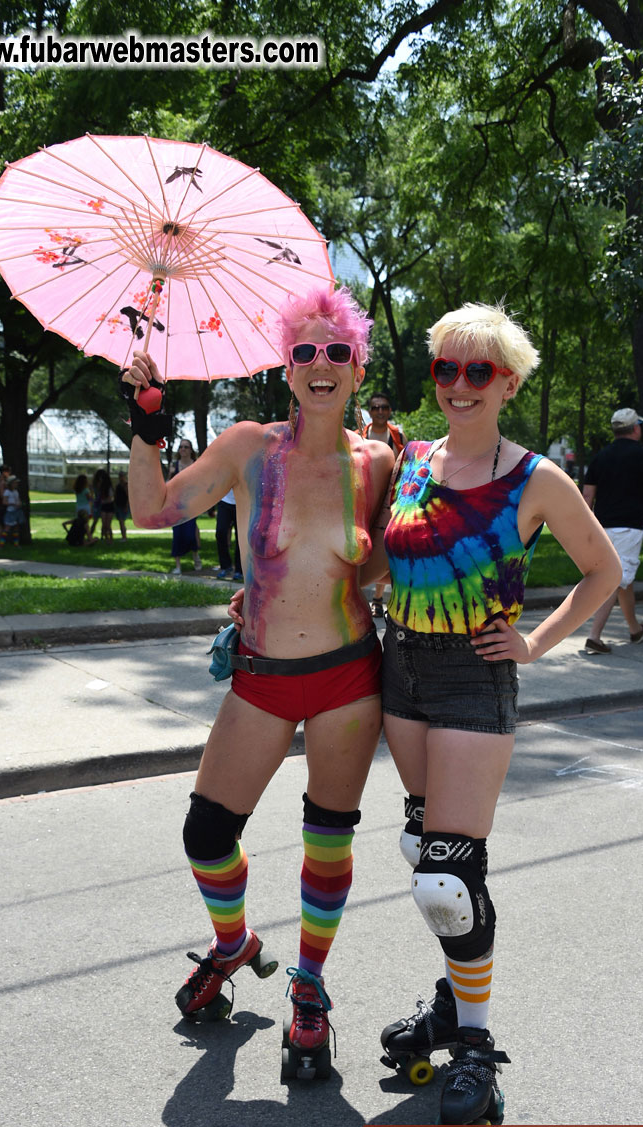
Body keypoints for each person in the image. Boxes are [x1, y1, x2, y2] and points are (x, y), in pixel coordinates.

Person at [361, 302, 621, 1124]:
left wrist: (535, 643)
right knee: (425, 853)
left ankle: (474, 1047)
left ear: (509, 383)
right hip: (402, 670)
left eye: (480, 370)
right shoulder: (412, 460)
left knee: (449, 876)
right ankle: (452, 1000)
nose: (460, 384)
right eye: (447, 368)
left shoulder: (536, 478)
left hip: (475, 678)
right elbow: (385, 564)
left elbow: (603, 571)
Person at [124, 285, 393, 1071]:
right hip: (262, 677)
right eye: (304, 350)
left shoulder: (377, 463)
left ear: (357, 368)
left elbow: (378, 564)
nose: (320, 363)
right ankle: (234, 942)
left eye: (337, 351)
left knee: (327, 837)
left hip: (348, 678)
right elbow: (152, 510)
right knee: (207, 833)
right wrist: (147, 422)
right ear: (286, 366)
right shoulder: (249, 447)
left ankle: (309, 984)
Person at [582, 408, 643, 654]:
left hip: (602, 527)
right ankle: (594, 637)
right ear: (635, 428)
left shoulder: (601, 456)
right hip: (628, 528)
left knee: (624, 578)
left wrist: (584, 525)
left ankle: (635, 629)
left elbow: (587, 495)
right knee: (616, 579)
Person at [362, 392, 405, 618]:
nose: (380, 411)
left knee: (385, 548)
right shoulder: (360, 436)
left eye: (384, 407)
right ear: (369, 411)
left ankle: (378, 598)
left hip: (391, 502)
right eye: (376, 407)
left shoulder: (397, 435)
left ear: (389, 410)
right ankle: (356, 594)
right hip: (365, 500)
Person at [168, 439, 203, 575]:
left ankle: (195, 555)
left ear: (190, 450)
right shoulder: (174, 465)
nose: (183, 449)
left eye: (186, 447)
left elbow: (200, 483)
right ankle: (178, 566)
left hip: (190, 503)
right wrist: (170, 474)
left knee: (190, 533)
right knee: (177, 534)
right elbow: (167, 485)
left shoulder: (196, 464)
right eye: (181, 447)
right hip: (176, 504)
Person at [213, 486, 243, 581]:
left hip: (241, 502)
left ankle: (239, 569)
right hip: (224, 500)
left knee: (240, 536)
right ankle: (226, 566)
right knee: (220, 533)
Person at [0, 474, 24, 546]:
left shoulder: (16, 491)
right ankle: (1, 544)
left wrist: (19, 503)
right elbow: (4, 502)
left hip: (17, 511)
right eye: (15, 483)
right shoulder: (7, 492)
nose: (16, 484)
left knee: (16, 528)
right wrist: (13, 504)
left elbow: (18, 499)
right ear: (11, 484)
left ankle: (16, 544)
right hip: (10, 512)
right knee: (7, 528)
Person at [73, 474, 93, 541]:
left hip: (78, 506)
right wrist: (91, 492)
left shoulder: (76, 489)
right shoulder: (86, 490)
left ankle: (80, 536)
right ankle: (88, 536)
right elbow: (89, 498)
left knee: (79, 522)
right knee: (86, 523)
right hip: (85, 507)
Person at [97, 470, 115, 542]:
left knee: (108, 524)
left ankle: (110, 538)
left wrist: (104, 501)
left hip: (109, 506)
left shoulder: (109, 488)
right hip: (104, 506)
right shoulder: (101, 488)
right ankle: (106, 538)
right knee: (104, 523)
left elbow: (111, 498)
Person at [114, 469, 130, 541]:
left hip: (124, 506)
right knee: (121, 522)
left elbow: (128, 496)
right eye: (120, 476)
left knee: (121, 521)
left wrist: (126, 506)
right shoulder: (118, 485)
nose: (120, 477)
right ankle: (123, 536)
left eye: (122, 476)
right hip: (118, 505)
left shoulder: (126, 485)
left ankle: (124, 537)